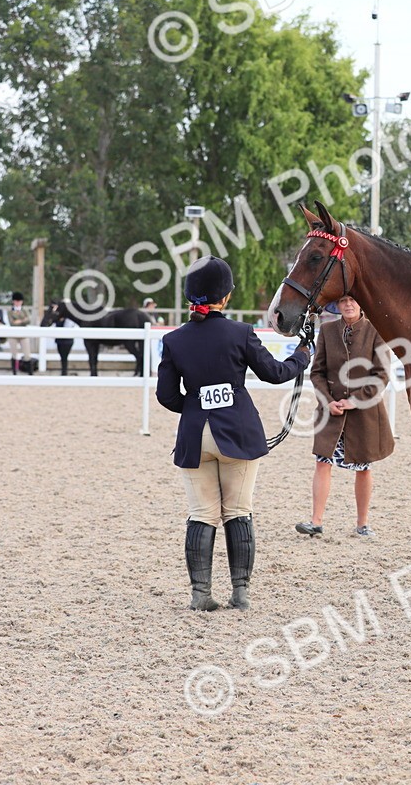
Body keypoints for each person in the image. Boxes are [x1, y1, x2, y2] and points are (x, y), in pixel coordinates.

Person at [157, 256, 310, 611]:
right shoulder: (240, 333)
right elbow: (275, 373)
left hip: (195, 436)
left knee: (201, 513)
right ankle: (240, 593)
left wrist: (196, 407)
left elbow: (166, 396)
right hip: (237, 433)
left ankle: (201, 594)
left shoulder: (174, 339)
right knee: (238, 510)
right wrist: (302, 355)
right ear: (224, 297)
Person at [295, 294, 395, 539]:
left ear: (361, 303)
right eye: (343, 301)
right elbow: (317, 372)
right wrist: (328, 401)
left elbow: (381, 375)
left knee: (363, 467)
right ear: (337, 306)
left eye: (352, 300)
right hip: (331, 412)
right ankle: (316, 522)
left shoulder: (376, 330)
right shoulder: (327, 330)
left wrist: (354, 401)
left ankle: (362, 524)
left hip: (364, 413)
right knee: (322, 461)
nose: (348, 304)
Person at [7, 292, 34, 374]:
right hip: (13, 334)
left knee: (27, 353)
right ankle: (14, 371)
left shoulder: (24, 310)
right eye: (16, 301)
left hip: (23, 334)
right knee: (14, 353)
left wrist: (19, 321)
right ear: (13, 301)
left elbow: (29, 320)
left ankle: (30, 372)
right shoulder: (10, 310)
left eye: (19, 301)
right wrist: (23, 320)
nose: (18, 303)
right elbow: (12, 323)